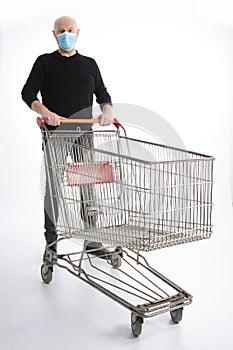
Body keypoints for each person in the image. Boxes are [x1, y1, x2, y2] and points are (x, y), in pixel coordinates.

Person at [21, 16, 113, 258]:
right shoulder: (45, 62)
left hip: (84, 133)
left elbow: (102, 93)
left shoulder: (89, 64)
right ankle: (51, 244)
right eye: (61, 31)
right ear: (54, 34)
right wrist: (45, 112)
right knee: (54, 187)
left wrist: (107, 111)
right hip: (56, 133)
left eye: (70, 30)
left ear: (78, 32)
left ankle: (92, 240)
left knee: (89, 186)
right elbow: (28, 92)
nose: (66, 34)